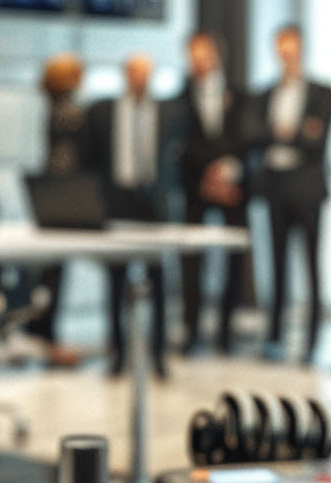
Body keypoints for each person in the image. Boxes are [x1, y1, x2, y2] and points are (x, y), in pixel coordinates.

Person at [84, 52, 174, 376]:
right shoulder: (102, 111)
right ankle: (117, 353)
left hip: (154, 203)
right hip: (117, 201)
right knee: (115, 281)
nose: (140, 79)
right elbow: (90, 160)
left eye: (145, 73)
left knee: (159, 280)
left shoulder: (167, 111)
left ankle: (159, 354)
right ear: (125, 75)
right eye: (134, 72)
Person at [253, 25, 331, 363]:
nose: (286, 55)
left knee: (311, 264)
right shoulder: (266, 94)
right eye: (281, 49)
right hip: (275, 186)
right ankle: (274, 335)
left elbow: (316, 140)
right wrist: (292, 133)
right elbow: (254, 134)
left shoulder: (322, 92)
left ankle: (313, 339)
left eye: (292, 48)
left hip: (307, 188)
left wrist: (282, 135)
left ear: (301, 49)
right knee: (277, 263)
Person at [176, 29, 250, 354]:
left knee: (235, 257)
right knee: (192, 260)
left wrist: (226, 171)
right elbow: (182, 143)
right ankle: (191, 331)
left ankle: (225, 334)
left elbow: (245, 139)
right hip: (196, 186)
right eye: (194, 55)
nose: (199, 62)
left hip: (232, 185)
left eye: (204, 55)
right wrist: (207, 176)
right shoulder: (180, 97)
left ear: (217, 56)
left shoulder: (240, 95)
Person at [27, 53, 87, 368]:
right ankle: (44, 331)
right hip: (67, 192)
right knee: (54, 269)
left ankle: (43, 328)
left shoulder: (53, 110)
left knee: (53, 267)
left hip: (54, 190)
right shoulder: (69, 113)